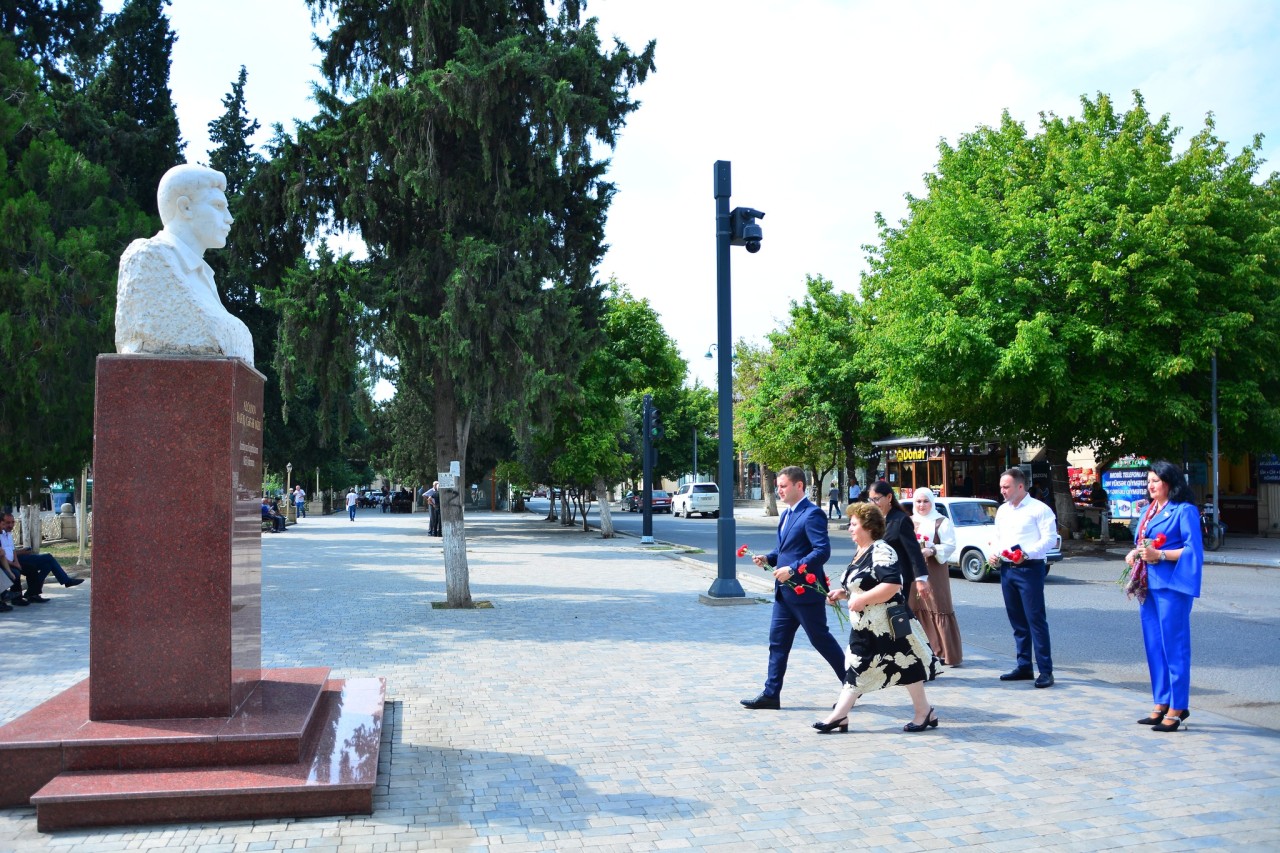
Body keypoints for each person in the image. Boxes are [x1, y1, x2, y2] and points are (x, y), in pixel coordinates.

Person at [812, 501, 940, 733]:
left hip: (885, 625)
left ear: (868, 526)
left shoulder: (882, 550)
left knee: (859, 666)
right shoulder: (862, 550)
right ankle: (925, 712)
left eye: (854, 524)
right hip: (869, 625)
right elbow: (866, 583)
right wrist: (844, 594)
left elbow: (892, 584)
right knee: (906, 666)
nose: (850, 528)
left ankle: (839, 715)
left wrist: (862, 600)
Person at [114, 164, 254, 364]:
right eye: (218, 206)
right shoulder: (148, 258)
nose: (229, 218)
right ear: (185, 207)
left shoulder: (203, 276)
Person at [741, 466, 846, 710]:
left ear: (799, 486)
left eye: (783, 486)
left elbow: (822, 551)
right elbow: (785, 550)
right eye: (777, 486)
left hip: (806, 592)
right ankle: (771, 694)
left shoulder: (812, 514)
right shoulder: (787, 514)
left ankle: (851, 685)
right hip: (784, 593)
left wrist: (793, 569)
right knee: (777, 642)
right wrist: (768, 558)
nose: (779, 490)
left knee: (820, 640)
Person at [1124, 460, 1203, 733]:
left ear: (1169, 482)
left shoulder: (1184, 510)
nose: (1150, 486)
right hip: (1148, 585)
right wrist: (1135, 553)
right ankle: (1161, 701)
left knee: (1174, 646)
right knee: (1154, 646)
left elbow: (1193, 551)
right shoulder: (1148, 511)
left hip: (1172, 586)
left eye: (1155, 481)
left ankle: (1178, 706)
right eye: (1148, 481)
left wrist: (1161, 554)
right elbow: (1142, 542)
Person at [987, 467, 1057, 688]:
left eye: (1006, 487)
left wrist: (1026, 553)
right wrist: (994, 552)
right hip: (1007, 569)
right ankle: (1024, 665)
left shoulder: (1039, 509)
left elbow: (1050, 539)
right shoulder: (1003, 510)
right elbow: (997, 536)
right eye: (1001, 487)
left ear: (1020, 486)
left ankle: (1045, 670)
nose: (1002, 491)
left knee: (1035, 619)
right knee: (1017, 620)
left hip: (1029, 568)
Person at [909, 488, 964, 666]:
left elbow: (950, 545)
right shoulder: (909, 521)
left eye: (925, 501)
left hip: (934, 569)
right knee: (915, 605)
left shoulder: (941, 521)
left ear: (932, 502)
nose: (922, 505)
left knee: (938, 605)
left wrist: (932, 550)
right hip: (913, 571)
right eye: (918, 501)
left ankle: (945, 652)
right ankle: (921, 651)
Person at [1, 512, 85, 604]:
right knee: (47, 557)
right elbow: (2, 554)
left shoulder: (8, 534)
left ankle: (32, 593)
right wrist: (17, 559)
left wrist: (20, 555)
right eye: (7, 523)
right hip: (7, 562)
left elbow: (12, 550)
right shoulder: (1, 534)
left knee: (47, 565)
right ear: (2, 522)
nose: (10, 525)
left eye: (12, 522)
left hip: (16, 559)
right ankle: (66, 581)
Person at [867, 481, 928, 593]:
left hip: (898, 579)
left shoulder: (901, 520)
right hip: (878, 576)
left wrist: (921, 580)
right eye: (871, 500)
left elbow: (914, 551)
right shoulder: (872, 520)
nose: (873, 503)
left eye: (876, 499)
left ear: (889, 497)